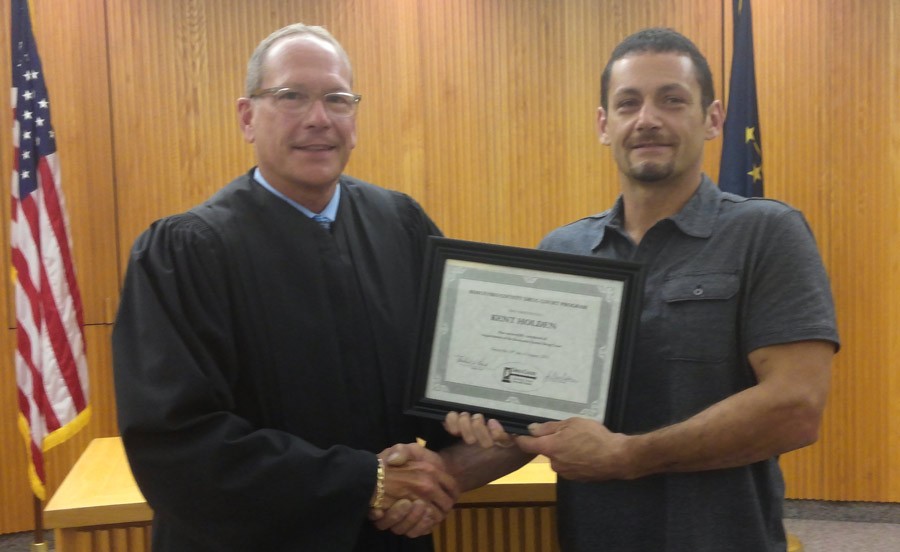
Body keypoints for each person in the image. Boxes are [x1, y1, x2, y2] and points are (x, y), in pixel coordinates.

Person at [112, 23, 522, 552]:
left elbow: (452, 390)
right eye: (291, 97)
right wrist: (365, 483)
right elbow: (176, 446)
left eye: (337, 99)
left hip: (387, 539)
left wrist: (436, 475)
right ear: (246, 117)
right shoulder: (186, 252)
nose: (318, 118)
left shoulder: (402, 227)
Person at [445, 27, 839, 552]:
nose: (647, 119)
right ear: (605, 125)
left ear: (713, 118)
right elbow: (536, 420)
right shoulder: (564, 251)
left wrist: (627, 456)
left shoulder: (767, 233)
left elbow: (795, 407)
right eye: (628, 103)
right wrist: (434, 472)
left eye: (672, 100)